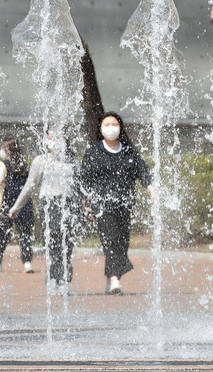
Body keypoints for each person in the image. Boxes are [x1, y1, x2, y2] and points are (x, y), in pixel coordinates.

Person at [79, 112, 154, 294]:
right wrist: (84, 204)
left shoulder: (129, 151)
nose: (110, 128)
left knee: (122, 243)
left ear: (120, 127)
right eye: (107, 124)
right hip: (102, 205)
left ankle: (110, 278)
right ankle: (114, 281)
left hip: (125, 205)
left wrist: (152, 190)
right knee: (111, 240)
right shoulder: (93, 152)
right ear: (100, 128)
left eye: (114, 124)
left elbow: (143, 171)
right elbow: (84, 180)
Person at [9, 129, 80, 294]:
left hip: (69, 205)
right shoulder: (40, 161)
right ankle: (54, 279)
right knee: (54, 241)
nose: (53, 141)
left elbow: (78, 185)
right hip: (49, 204)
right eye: (50, 138)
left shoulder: (71, 160)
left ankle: (63, 280)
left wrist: (85, 206)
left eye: (57, 138)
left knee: (67, 244)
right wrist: (16, 207)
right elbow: (30, 186)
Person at [0, 138, 35, 274]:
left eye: (3, 148)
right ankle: (27, 263)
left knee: (3, 235)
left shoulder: (3, 165)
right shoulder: (24, 165)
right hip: (23, 204)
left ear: (7, 151)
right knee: (24, 235)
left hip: (7, 204)